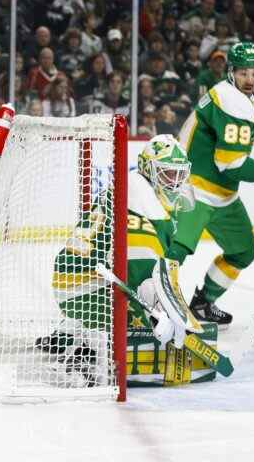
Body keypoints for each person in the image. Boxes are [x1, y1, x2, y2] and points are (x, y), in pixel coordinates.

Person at [42, 135, 203, 385]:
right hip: (86, 286)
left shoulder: (133, 188)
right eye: (168, 174)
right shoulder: (141, 201)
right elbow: (141, 269)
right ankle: (81, 357)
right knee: (136, 314)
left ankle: (68, 332)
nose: (175, 182)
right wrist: (156, 314)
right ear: (149, 168)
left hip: (73, 279)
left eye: (179, 174)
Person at [167, 42, 254, 327]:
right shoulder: (231, 100)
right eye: (244, 73)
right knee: (175, 253)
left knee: (243, 250)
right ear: (231, 72)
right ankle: (148, 304)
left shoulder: (234, 96)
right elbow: (230, 164)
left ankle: (202, 303)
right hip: (193, 189)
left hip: (221, 193)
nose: (250, 79)